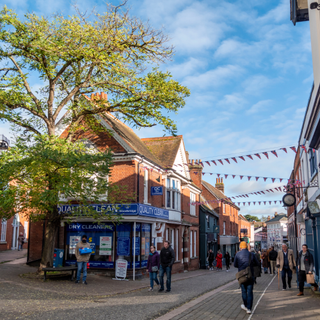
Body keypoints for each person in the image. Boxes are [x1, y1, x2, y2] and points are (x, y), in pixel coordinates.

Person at [234, 241, 259, 315]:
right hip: (250, 275)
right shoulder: (251, 254)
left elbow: (235, 265)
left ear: (241, 247)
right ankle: (249, 308)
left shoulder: (237, 254)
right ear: (247, 246)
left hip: (241, 275)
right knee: (250, 292)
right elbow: (257, 263)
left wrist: (241, 266)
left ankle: (245, 305)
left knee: (243, 291)